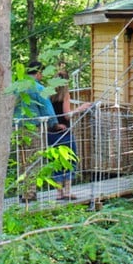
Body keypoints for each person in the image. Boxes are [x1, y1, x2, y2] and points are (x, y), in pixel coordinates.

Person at [13, 60, 59, 203]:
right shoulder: (38, 88)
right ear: (38, 73)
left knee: (22, 160)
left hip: (17, 128)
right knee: (34, 160)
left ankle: (22, 192)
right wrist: (54, 123)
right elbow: (47, 108)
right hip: (34, 128)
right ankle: (30, 194)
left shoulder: (17, 87)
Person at [48, 70, 91, 201]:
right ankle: (67, 192)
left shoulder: (48, 95)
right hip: (64, 132)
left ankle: (58, 193)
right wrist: (81, 108)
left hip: (51, 133)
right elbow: (67, 114)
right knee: (69, 160)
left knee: (56, 162)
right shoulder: (65, 94)